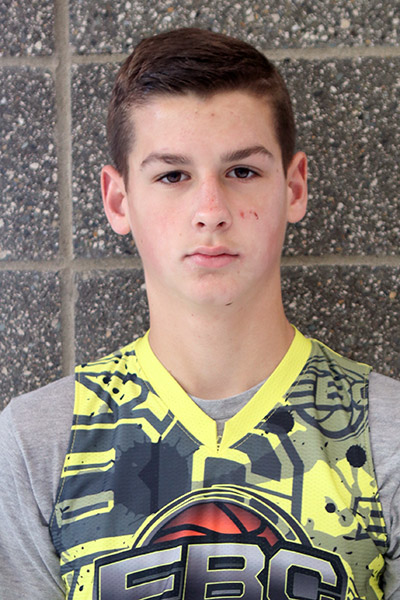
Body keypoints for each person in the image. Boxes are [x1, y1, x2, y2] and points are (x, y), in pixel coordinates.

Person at [0, 27, 399, 600]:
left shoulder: (385, 435)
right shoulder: (39, 445)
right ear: (119, 200)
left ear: (293, 188)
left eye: (242, 172)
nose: (211, 210)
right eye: (173, 175)